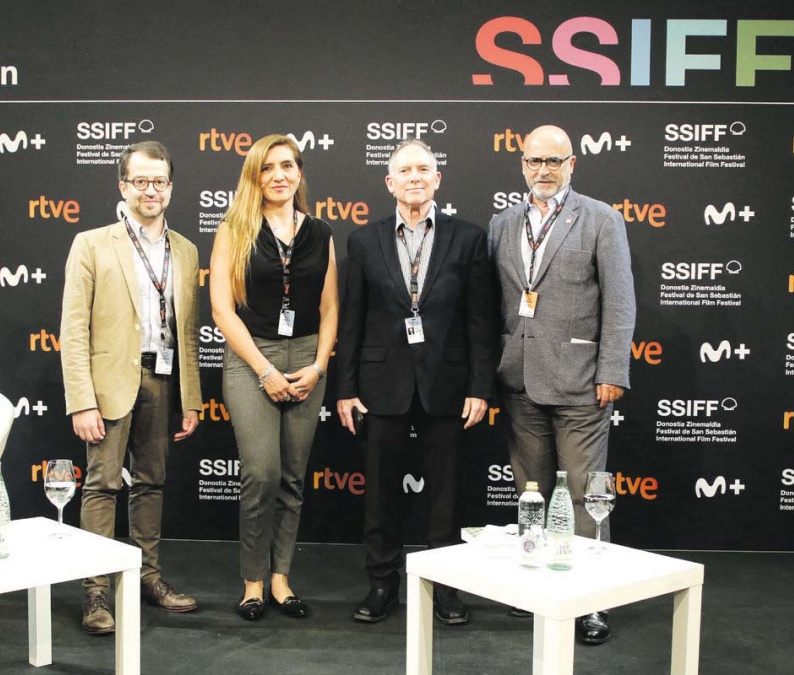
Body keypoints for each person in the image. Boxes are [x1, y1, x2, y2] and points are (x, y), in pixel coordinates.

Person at [335, 139, 498, 625]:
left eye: (424, 169)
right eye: (405, 171)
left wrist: (480, 387)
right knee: (380, 494)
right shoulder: (364, 240)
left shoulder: (469, 239)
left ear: (437, 179)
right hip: (380, 385)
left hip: (447, 385)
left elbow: (481, 321)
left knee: (446, 497)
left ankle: (445, 587)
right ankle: (382, 584)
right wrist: (346, 389)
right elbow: (351, 320)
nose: (415, 178)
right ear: (390, 182)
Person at [488, 125, 636, 645]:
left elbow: (619, 300)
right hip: (519, 379)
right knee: (530, 492)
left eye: (554, 161)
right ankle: (537, 587)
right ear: (522, 164)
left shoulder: (601, 218)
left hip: (581, 382)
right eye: (535, 161)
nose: (544, 170)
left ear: (572, 163)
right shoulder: (503, 223)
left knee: (583, 494)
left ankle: (590, 600)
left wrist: (613, 369)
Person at [60, 140, 202, 635]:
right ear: (123, 186)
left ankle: (147, 576)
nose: (150, 190)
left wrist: (191, 399)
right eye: (140, 181)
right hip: (109, 384)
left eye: (159, 181)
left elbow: (187, 332)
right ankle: (96, 590)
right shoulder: (91, 243)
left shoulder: (186, 249)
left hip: (162, 379)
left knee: (152, 482)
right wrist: (81, 400)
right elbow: (73, 329)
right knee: (102, 485)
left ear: (170, 188)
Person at [210, 134, 338, 621]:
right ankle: (253, 582)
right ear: (254, 176)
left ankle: (281, 579)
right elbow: (222, 310)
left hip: (306, 357)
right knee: (260, 473)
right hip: (252, 357)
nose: (278, 175)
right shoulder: (234, 228)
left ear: (299, 173)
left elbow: (330, 308)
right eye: (267, 167)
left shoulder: (321, 232)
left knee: (292, 476)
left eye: (287, 165)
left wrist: (319, 366)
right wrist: (264, 370)